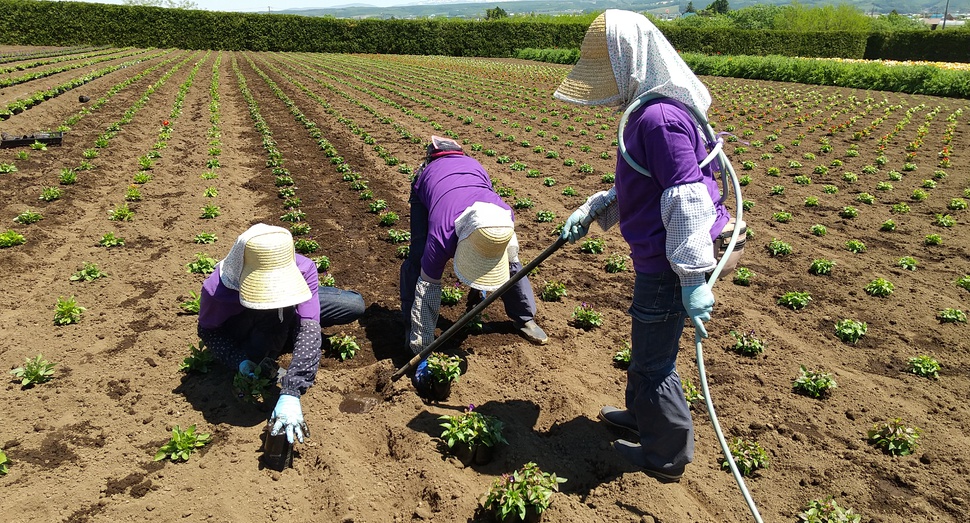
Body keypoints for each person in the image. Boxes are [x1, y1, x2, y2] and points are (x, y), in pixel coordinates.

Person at [555, 10, 733, 483]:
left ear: (630, 61)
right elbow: (644, 183)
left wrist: (693, 279)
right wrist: (596, 209)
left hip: (669, 264)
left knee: (654, 363)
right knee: (645, 346)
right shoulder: (654, 109)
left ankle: (666, 456)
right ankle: (642, 417)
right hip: (663, 254)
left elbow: (686, 197)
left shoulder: (658, 118)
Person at [400, 136, 548, 395]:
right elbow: (428, 287)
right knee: (418, 256)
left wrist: (482, 275)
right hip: (435, 200)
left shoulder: (503, 216)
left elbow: (510, 259)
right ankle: (410, 329)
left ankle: (524, 317)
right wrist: (423, 348)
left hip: (480, 213)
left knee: (513, 262)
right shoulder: (442, 234)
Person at [198, 223, 365, 444]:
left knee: (353, 305)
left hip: (287, 307)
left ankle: (284, 325)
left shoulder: (303, 269)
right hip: (248, 320)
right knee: (262, 343)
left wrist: (292, 388)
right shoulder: (218, 290)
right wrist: (238, 359)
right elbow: (208, 331)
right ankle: (276, 333)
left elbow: (309, 326)